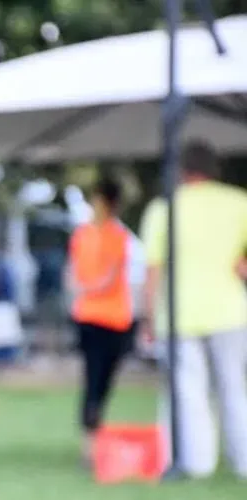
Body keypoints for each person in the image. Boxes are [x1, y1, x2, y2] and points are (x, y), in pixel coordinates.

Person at [139, 140, 247, 478]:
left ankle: (197, 464)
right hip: (230, 310)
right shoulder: (239, 202)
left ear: (182, 170)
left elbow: (153, 269)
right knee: (234, 389)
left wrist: (147, 316)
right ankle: (244, 460)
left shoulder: (164, 208)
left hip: (178, 314)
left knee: (188, 393)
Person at [66, 176, 135, 464]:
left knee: (102, 382)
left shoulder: (117, 237)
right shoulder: (83, 235)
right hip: (93, 318)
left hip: (114, 319)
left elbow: (109, 276)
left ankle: (95, 439)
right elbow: (74, 272)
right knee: (95, 381)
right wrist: (81, 290)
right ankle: (90, 446)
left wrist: (83, 288)